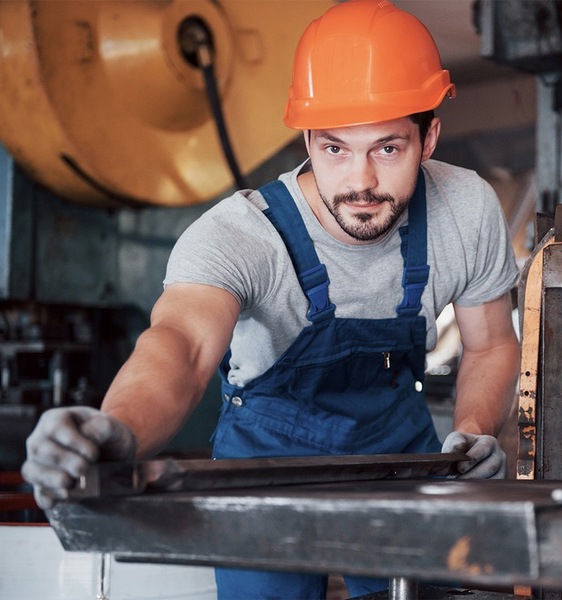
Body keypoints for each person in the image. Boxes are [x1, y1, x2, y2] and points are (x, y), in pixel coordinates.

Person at [22, 0, 521, 597]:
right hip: (265, 458)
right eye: (335, 148)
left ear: (429, 136)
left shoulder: (466, 210)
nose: (360, 181)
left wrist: (470, 432)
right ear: (308, 138)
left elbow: (490, 344)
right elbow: (179, 348)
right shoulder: (239, 235)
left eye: (387, 148)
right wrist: (118, 430)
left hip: (398, 453)